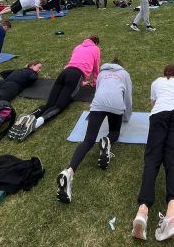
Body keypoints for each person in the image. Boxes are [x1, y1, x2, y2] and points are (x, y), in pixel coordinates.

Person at [56, 57, 133, 204]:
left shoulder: (102, 73)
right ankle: (108, 140)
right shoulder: (124, 74)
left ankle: (69, 171)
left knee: (88, 140)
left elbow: (98, 91)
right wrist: (126, 116)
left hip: (98, 104)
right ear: (120, 66)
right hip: (116, 105)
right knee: (115, 132)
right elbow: (128, 97)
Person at [132, 64, 174, 242]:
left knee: (152, 159)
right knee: (171, 160)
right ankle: (171, 215)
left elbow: (153, 105)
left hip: (158, 116)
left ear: (163, 74)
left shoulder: (156, 82)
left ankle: (143, 210)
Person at [8, 35, 101, 141]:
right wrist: (94, 83)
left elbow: (76, 62)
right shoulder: (96, 49)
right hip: (76, 76)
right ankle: (34, 125)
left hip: (64, 73)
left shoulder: (78, 47)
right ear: (96, 43)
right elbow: (96, 68)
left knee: (49, 104)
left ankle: (27, 118)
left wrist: (81, 82)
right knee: (59, 106)